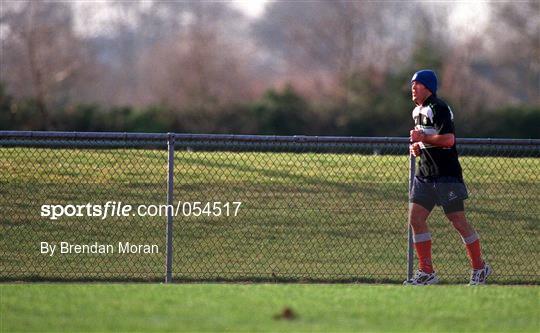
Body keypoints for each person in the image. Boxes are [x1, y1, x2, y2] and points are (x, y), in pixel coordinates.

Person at [404, 69, 492, 285]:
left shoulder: (439, 107)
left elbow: (448, 140)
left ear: (428, 87)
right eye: (412, 84)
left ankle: (480, 268)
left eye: (417, 84)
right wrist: (417, 146)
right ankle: (427, 271)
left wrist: (423, 137)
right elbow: (426, 139)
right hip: (425, 175)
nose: (413, 88)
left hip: (446, 175)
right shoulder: (417, 111)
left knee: (458, 221)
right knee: (416, 219)